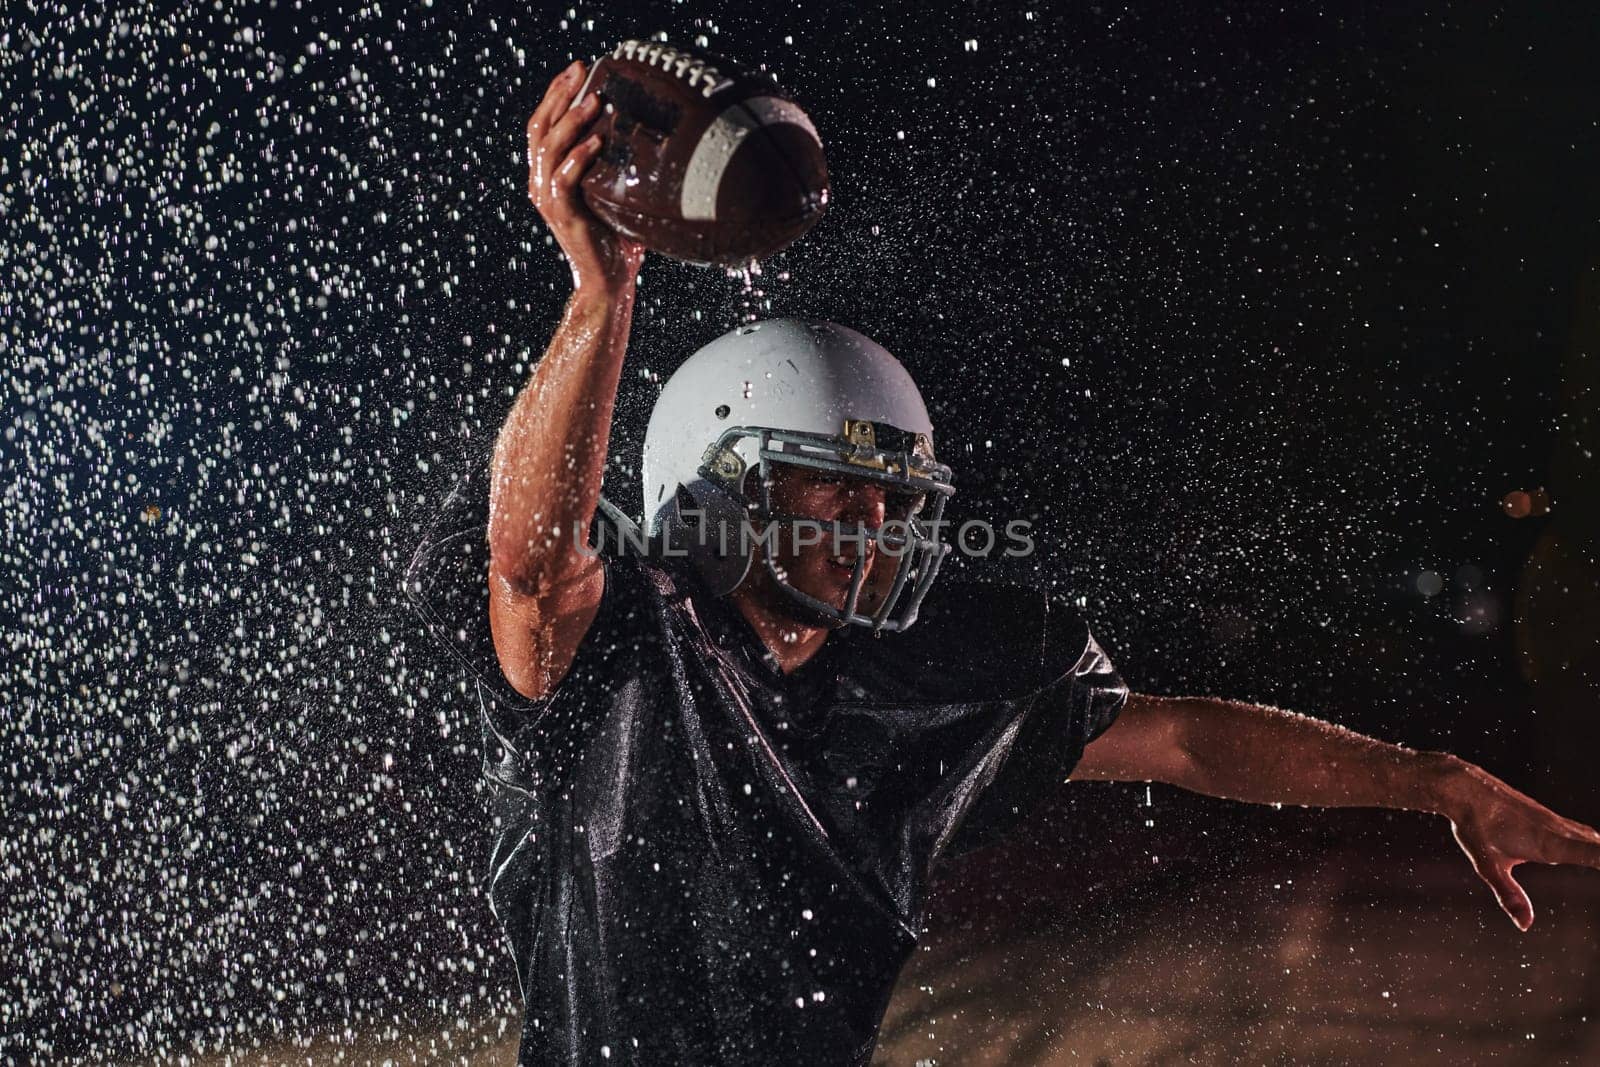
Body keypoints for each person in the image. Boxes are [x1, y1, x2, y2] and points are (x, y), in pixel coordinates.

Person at [416, 60, 1600, 1066]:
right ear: (717, 488)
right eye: (834, 484)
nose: (872, 523)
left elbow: (1186, 739)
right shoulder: (619, 649)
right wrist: (602, 289)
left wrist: (1433, 777)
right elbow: (529, 562)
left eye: (892, 495)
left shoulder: (924, 681)